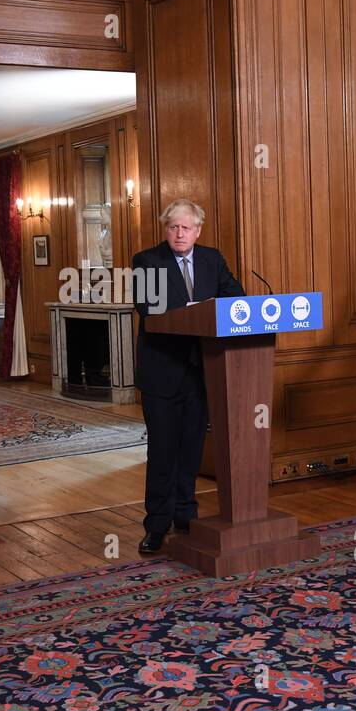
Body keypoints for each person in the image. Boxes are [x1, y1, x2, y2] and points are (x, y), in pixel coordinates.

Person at [131, 199, 244, 554]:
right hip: (162, 372)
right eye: (173, 227)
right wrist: (193, 312)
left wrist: (215, 311)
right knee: (163, 450)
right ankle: (157, 524)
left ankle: (186, 515)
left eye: (186, 228)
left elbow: (236, 300)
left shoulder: (212, 259)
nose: (179, 234)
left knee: (192, 448)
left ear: (198, 230)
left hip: (202, 371)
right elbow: (149, 309)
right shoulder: (146, 261)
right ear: (166, 230)